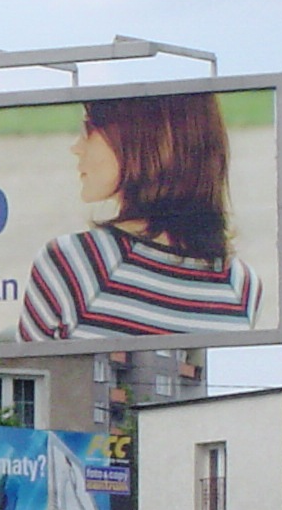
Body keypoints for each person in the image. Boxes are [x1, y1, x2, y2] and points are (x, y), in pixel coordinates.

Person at [18, 94, 261, 340]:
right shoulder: (241, 287)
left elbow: (27, 365)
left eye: (88, 128)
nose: (76, 148)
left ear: (142, 138)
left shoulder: (72, 264)